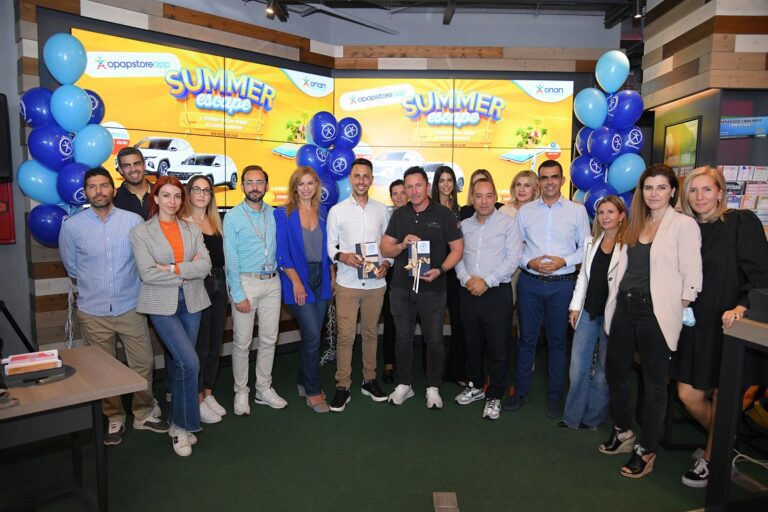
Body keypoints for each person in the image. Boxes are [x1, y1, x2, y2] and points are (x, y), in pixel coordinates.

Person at [601, 164, 702, 479]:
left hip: (655, 313)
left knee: (654, 384)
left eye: (661, 187)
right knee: (615, 372)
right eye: (648, 187)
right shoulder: (636, 223)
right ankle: (624, 430)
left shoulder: (683, 225)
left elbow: (693, 276)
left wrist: (676, 307)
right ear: (641, 192)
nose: (654, 193)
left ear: (672, 191)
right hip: (625, 307)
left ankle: (646, 450)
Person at [671, 166, 768, 487]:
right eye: (693, 190)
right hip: (693, 324)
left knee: (723, 393)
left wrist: (743, 306)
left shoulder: (740, 222)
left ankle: (713, 459)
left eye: (707, 189)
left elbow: (759, 273)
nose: (700, 196)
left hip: (730, 323)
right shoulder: (686, 229)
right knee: (688, 394)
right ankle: (725, 441)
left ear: (721, 192)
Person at [59, 167, 168, 446]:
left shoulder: (133, 221)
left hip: (130, 306)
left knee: (142, 362)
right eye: (92, 187)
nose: (99, 191)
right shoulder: (72, 227)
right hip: (93, 311)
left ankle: (143, 413)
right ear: (86, 192)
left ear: (113, 189)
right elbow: (72, 267)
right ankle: (114, 416)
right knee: (102, 370)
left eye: (104, 185)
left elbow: (143, 260)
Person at [130, 176, 212, 457]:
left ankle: (177, 425)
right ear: (155, 198)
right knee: (189, 361)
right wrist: (186, 271)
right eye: (166, 195)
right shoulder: (141, 232)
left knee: (181, 365)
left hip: (192, 301)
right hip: (160, 305)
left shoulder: (192, 228)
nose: (172, 201)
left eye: (177, 196)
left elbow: (205, 266)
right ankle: (183, 426)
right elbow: (147, 273)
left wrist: (172, 268)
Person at [505, 159, 591, 418]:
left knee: (557, 342)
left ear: (563, 180)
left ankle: (555, 397)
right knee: (526, 340)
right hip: (530, 283)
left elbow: (585, 249)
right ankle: (520, 391)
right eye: (544, 177)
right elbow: (515, 248)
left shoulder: (577, 211)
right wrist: (527, 262)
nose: (549, 182)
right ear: (539, 181)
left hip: (562, 285)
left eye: (554, 177)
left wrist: (564, 261)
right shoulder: (526, 212)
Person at [381, 167, 463, 408]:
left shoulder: (444, 214)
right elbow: (385, 248)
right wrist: (402, 245)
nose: (414, 191)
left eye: (418, 185)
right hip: (401, 288)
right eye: (409, 186)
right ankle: (404, 384)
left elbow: (458, 249)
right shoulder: (399, 215)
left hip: (433, 288)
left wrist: (441, 270)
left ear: (427, 186)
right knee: (403, 337)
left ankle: (432, 387)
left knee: (434, 339)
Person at [326, 158, 391, 412]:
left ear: (371, 180)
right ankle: (343, 385)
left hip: (375, 284)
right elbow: (330, 246)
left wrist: (387, 263)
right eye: (357, 176)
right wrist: (342, 256)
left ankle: (369, 380)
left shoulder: (382, 210)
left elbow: (388, 245)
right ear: (350, 179)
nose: (361, 181)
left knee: (371, 333)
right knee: (346, 336)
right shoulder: (337, 211)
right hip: (348, 283)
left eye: (366, 176)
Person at [454, 179, 522, 420]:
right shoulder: (464, 225)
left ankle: (495, 395)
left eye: (488, 195)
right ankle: (475, 386)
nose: (483, 201)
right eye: (478, 196)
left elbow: (513, 259)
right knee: (472, 344)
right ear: (472, 198)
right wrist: (466, 280)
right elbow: (457, 256)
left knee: (498, 348)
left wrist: (487, 281)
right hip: (469, 291)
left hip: (496, 292)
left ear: (495, 197)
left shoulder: (509, 224)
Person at [560, 195, 626, 430]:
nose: (605, 217)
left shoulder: (629, 245)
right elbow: (583, 277)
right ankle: (572, 417)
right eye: (601, 212)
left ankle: (593, 419)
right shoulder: (591, 242)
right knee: (578, 365)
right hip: (588, 311)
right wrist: (575, 306)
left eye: (611, 212)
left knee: (604, 371)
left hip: (614, 316)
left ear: (621, 216)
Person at [223, 165, 286, 415]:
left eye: (259, 182)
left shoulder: (275, 214)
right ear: (242, 186)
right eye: (249, 182)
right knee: (242, 342)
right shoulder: (233, 216)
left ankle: (263, 388)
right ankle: (241, 391)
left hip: (272, 282)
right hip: (245, 283)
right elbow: (231, 258)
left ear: (267, 186)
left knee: (269, 339)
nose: (255, 187)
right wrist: (237, 294)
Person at [275, 166, 335, 413]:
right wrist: (297, 282)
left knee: (314, 335)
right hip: (297, 280)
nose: (306, 188)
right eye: (301, 184)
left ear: (317, 186)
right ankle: (313, 391)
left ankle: (302, 380)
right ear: (294, 187)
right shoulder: (283, 213)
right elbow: (281, 253)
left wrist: (332, 275)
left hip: (322, 279)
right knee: (311, 334)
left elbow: (330, 249)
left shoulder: (324, 212)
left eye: (310, 183)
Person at [184, 175, 228, 424]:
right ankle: (197, 397)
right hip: (198, 284)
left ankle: (208, 392)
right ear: (188, 193)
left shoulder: (216, 220)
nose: (202, 194)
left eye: (207, 190)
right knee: (199, 345)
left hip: (220, 282)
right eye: (197, 189)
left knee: (215, 341)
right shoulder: (183, 222)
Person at [431, 165, 467, 387]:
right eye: (442, 180)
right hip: (433, 272)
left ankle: (456, 371)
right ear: (436, 184)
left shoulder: (462, 211)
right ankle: (432, 373)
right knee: (433, 325)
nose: (446, 184)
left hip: (457, 273)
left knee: (458, 322)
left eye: (449, 180)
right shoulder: (429, 209)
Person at [499, 170, 542, 339]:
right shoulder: (503, 211)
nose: (521, 189)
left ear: (535, 189)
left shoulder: (541, 212)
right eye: (518, 185)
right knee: (504, 312)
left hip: (531, 269)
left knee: (528, 317)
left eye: (526, 185)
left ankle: (525, 352)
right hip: (508, 270)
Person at [382, 179, 407, 383]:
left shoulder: (417, 215)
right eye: (395, 193)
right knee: (391, 319)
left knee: (409, 321)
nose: (399, 196)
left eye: (402, 192)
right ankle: (389, 363)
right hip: (391, 273)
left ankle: (406, 364)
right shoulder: (387, 216)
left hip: (414, 273)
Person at [114, 146, 152, 220]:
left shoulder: (160, 193)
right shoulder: (114, 199)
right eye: (126, 166)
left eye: (137, 164)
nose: (133, 169)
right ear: (120, 170)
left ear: (144, 165)